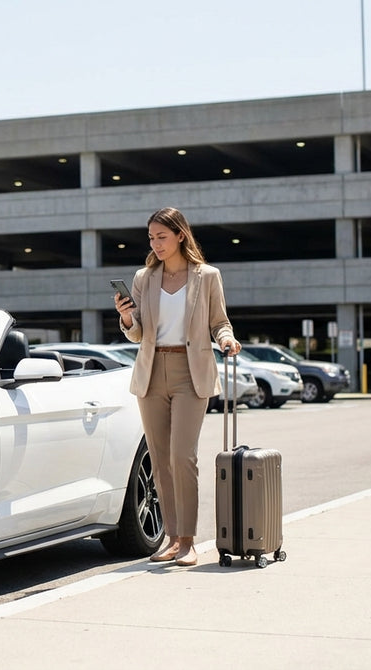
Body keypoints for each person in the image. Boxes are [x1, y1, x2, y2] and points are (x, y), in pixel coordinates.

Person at [115, 207, 240, 567]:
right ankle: (170, 538)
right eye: (151, 238)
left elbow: (219, 321)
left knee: (182, 457)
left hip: (191, 372)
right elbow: (137, 332)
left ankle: (188, 540)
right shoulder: (144, 277)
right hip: (151, 372)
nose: (155, 244)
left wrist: (227, 339)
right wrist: (126, 316)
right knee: (159, 459)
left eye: (162, 237)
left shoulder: (207, 276)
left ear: (180, 235)